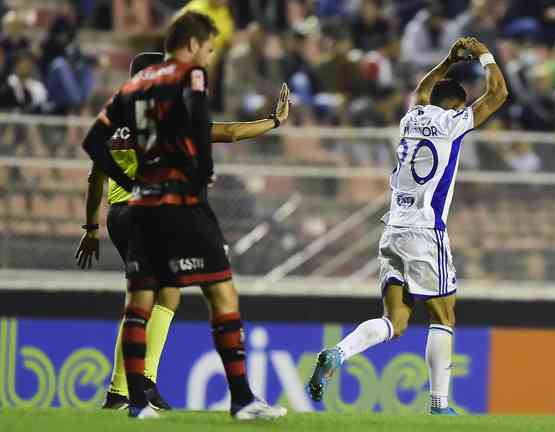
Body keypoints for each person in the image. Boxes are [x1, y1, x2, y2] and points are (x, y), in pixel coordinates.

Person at [80, 11, 289, 420]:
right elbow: (224, 132)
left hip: (119, 214)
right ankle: (130, 388)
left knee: (154, 295)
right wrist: (273, 121)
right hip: (157, 210)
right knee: (196, 292)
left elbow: (94, 177)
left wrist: (90, 227)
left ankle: (133, 390)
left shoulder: (118, 115)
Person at [307, 37, 508, 415]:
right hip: (425, 231)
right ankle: (439, 404)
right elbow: (498, 93)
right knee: (443, 314)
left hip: (393, 230)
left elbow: (421, 89)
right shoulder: (451, 123)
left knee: (395, 321)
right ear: (459, 104)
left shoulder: (410, 118)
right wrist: (483, 53)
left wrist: (449, 59)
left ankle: (339, 352)